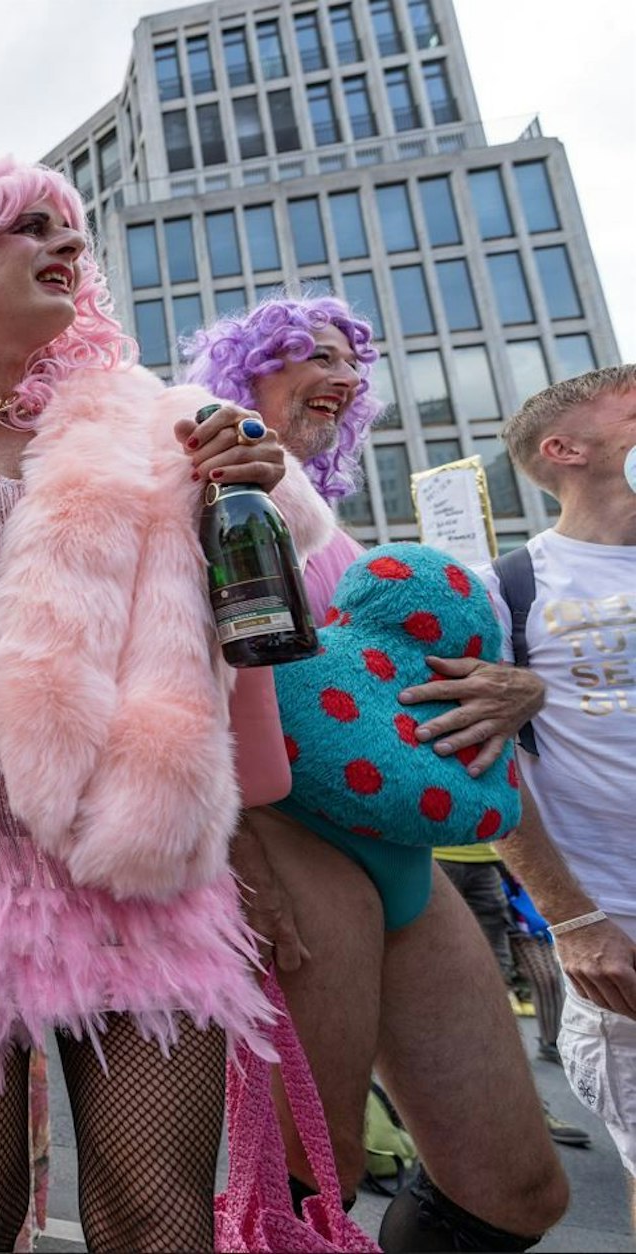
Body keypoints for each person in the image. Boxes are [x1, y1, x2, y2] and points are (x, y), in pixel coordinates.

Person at [0, 150, 319, 1252]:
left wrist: (245, 478)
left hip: (125, 853)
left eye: (70, 234)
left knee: (154, 1215)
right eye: (28, 226)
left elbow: (248, 614)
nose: (63, 246)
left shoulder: (139, 427)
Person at [184, 296, 568, 1249]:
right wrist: (238, 856)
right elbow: (154, 668)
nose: (343, 375)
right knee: (313, 1181)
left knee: (518, 1191)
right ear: (248, 368)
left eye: (352, 363)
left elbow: (406, 682)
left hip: (397, 851)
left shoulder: (333, 528)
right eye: (311, 353)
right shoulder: (184, 463)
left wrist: (510, 688)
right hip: (288, 839)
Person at [479, 365, 636, 1229]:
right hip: (621, 929)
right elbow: (484, 759)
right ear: (565, 451)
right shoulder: (511, 587)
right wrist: (574, 920)